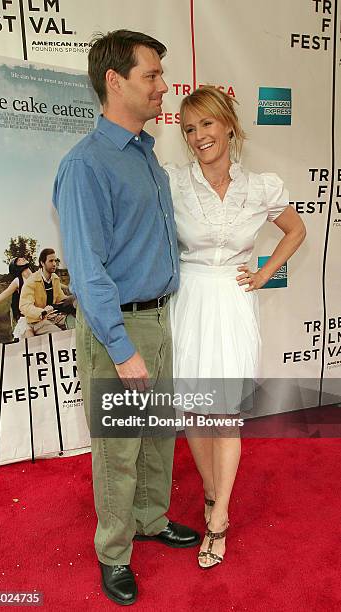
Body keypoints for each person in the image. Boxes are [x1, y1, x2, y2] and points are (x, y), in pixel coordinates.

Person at [52, 30, 199, 607]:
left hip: (160, 319)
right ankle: (114, 554)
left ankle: (150, 520)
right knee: (119, 449)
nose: (164, 87)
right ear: (115, 82)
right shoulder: (87, 165)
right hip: (122, 329)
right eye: (152, 76)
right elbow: (87, 271)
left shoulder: (145, 153)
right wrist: (120, 346)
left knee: (158, 437)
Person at [165, 86, 306, 569]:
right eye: (188, 129)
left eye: (206, 124)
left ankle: (219, 517)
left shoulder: (261, 186)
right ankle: (209, 491)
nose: (199, 136)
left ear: (227, 124)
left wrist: (264, 274)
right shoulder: (173, 183)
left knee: (225, 416)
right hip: (190, 299)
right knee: (195, 413)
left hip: (233, 300)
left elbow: (296, 230)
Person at [19, 248, 72, 335]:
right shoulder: (31, 281)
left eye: (55, 261)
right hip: (37, 321)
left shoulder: (55, 278)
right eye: (51, 261)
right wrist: (42, 312)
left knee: (77, 324)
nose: (54, 264)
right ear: (42, 263)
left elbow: (60, 298)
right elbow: (25, 306)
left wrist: (73, 300)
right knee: (59, 334)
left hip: (53, 316)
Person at [0, 257, 34, 339]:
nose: (22, 258)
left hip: (40, 313)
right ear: (15, 267)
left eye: (21, 258)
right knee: (29, 335)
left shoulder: (37, 276)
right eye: (18, 260)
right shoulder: (18, 281)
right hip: (26, 317)